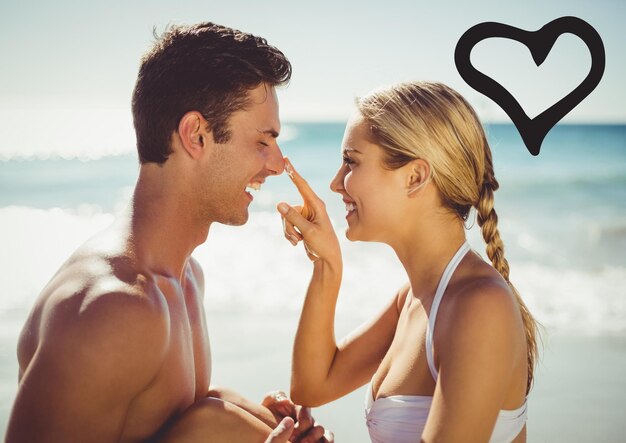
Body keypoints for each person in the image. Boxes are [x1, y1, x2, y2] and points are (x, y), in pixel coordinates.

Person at [7, 22, 331, 443]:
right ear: (196, 134)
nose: (276, 164)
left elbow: (168, 423)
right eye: (263, 141)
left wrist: (251, 421)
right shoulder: (113, 310)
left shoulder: (185, 277)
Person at [277, 81, 539, 442]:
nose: (336, 184)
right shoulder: (413, 300)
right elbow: (311, 387)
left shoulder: (479, 307)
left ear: (414, 177)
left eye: (351, 162)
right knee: (222, 412)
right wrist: (327, 264)